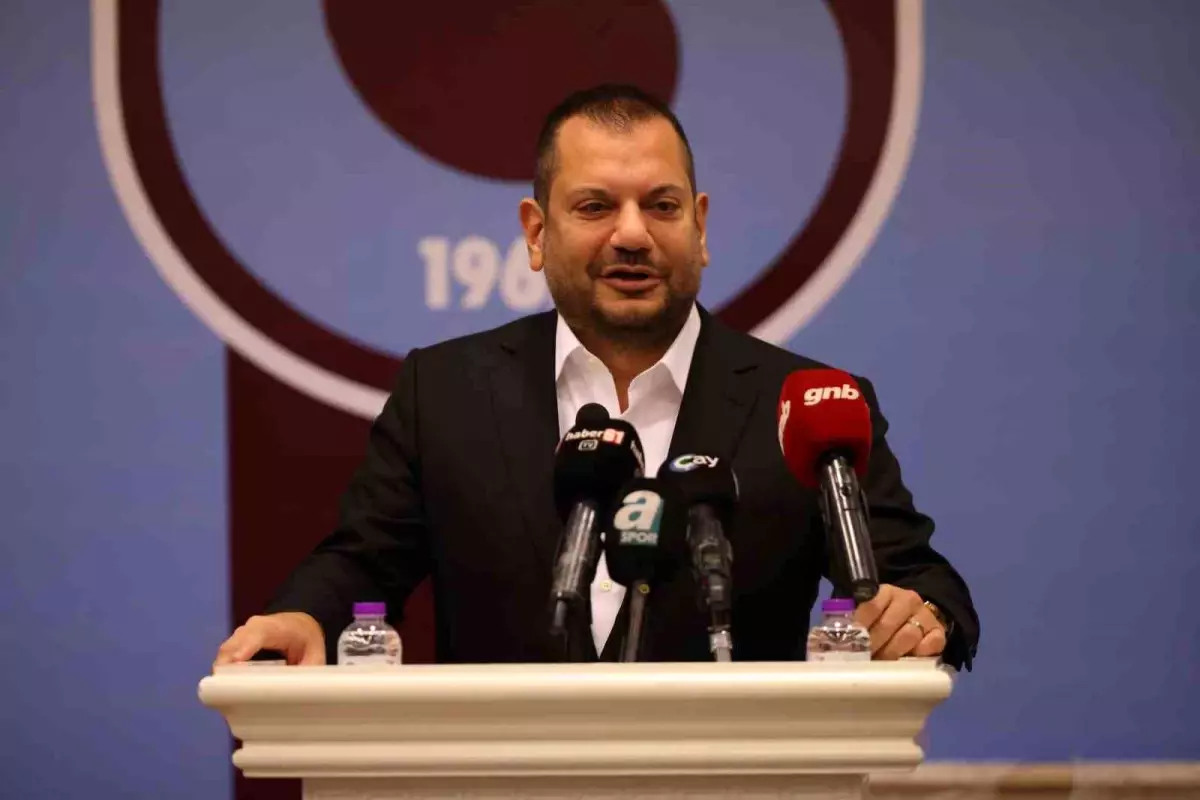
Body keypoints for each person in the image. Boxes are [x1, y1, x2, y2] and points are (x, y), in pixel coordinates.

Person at [214, 85, 979, 670]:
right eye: (595, 206)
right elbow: (361, 562)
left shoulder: (806, 403)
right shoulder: (443, 392)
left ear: (701, 228)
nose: (633, 233)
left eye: (662, 205)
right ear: (536, 233)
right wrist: (305, 617)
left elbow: (921, 580)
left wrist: (924, 615)